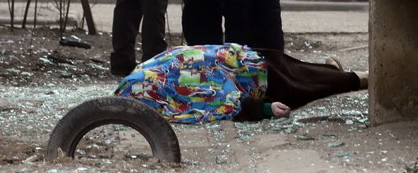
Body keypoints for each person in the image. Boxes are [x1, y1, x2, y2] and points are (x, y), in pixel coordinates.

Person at [115, 44, 368, 123]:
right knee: (299, 72)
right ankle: (337, 74)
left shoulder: (147, 95)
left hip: (251, 78)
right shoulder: (141, 75)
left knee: (304, 84)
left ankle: (346, 77)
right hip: (242, 57)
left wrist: (263, 109)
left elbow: (208, 102)